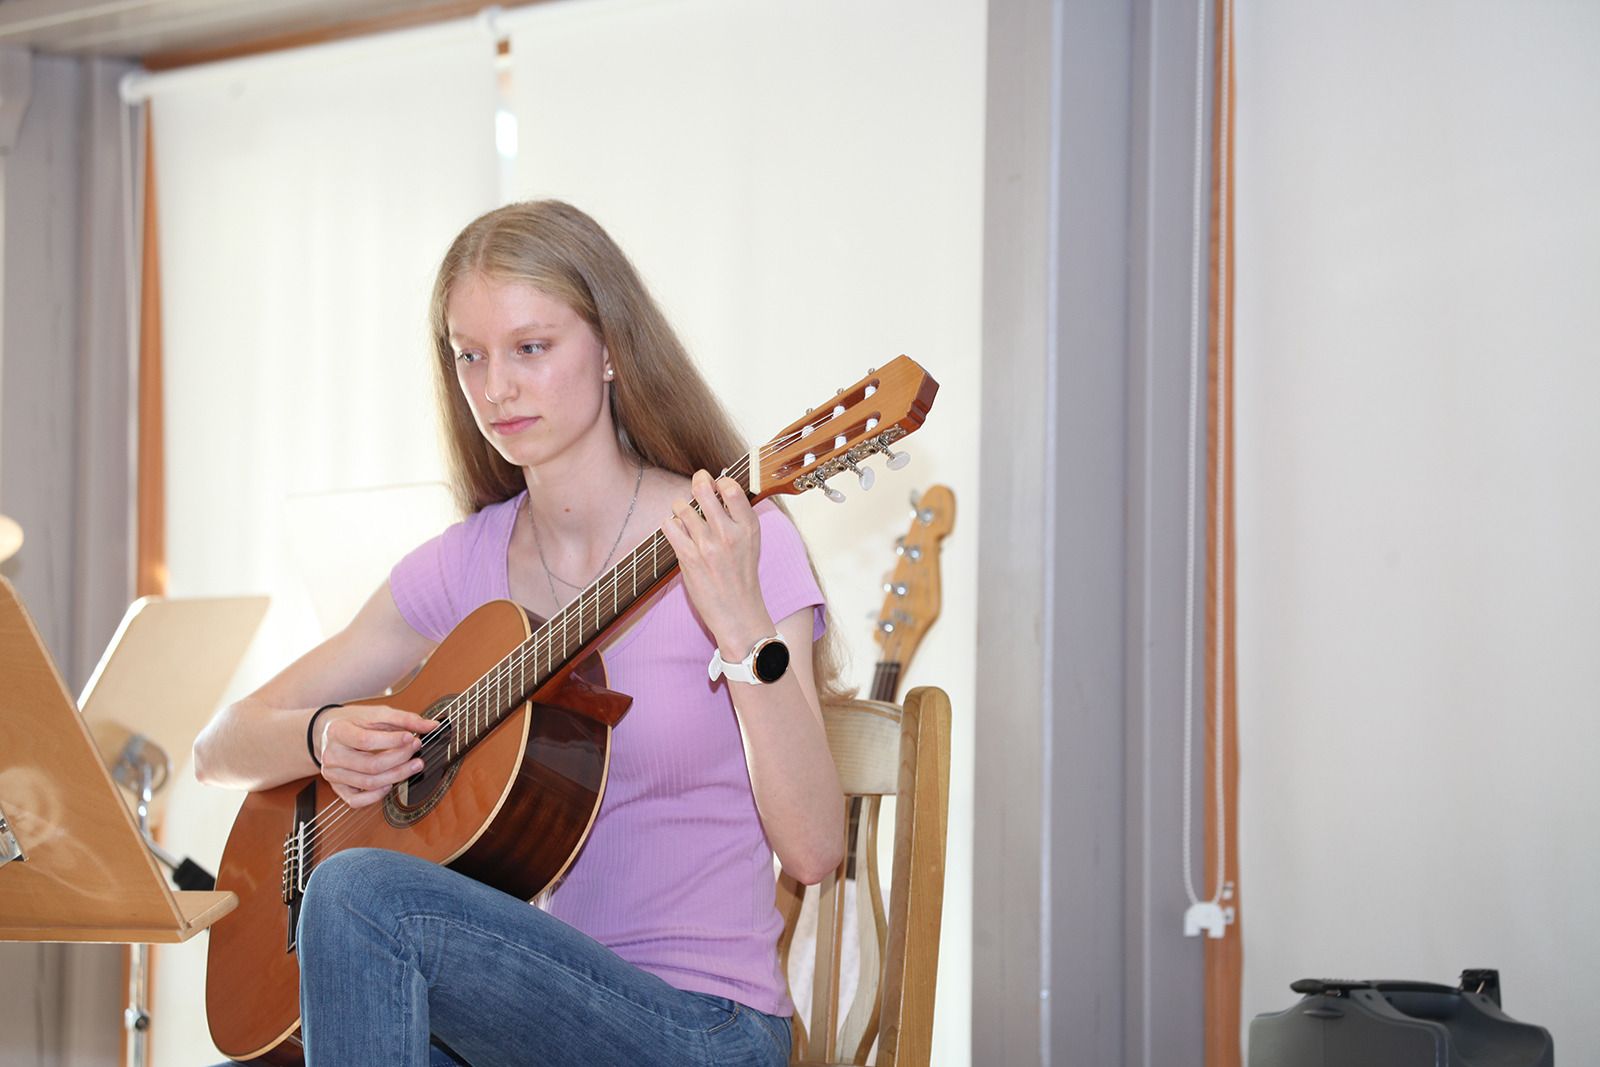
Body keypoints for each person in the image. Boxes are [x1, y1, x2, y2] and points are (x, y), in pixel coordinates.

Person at [192, 200, 848, 1067]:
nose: (495, 387)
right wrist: (321, 737)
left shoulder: (733, 537)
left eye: (530, 348)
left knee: (357, 893)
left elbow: (815, 850)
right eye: (470, 355)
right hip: (531, 1024)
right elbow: (219, 744)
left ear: (611, 348)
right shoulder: (463, 565)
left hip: (706, 1030)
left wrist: (739, 624)